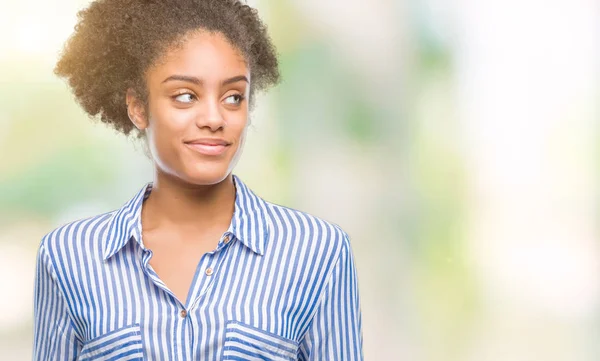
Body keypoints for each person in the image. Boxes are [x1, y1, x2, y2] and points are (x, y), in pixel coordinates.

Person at [32, 0, 363, 360]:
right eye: (185, 96)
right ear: (138, 107)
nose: (214, 118)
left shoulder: (318, 252)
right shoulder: (69, 257)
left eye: (233, 97)